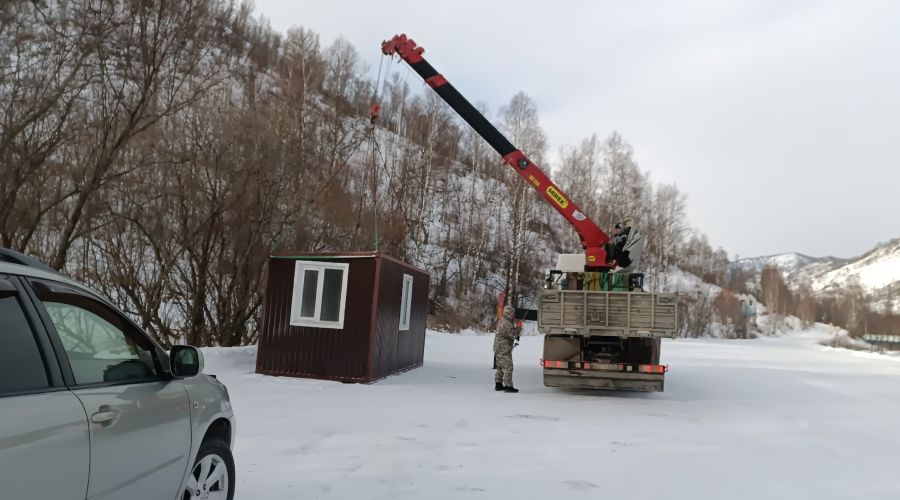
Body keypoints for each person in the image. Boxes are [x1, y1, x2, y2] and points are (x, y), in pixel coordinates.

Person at [494, 304, 518, 393]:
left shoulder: (502, 320)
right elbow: (513, 335)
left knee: (500, 366)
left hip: (499, 347)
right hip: (504, 348)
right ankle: (508, 386)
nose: (514, 315)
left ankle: (498, 384)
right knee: (508, 367)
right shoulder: (507, 323)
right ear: (510, 313)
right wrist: (518, 328)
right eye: (513, 313)